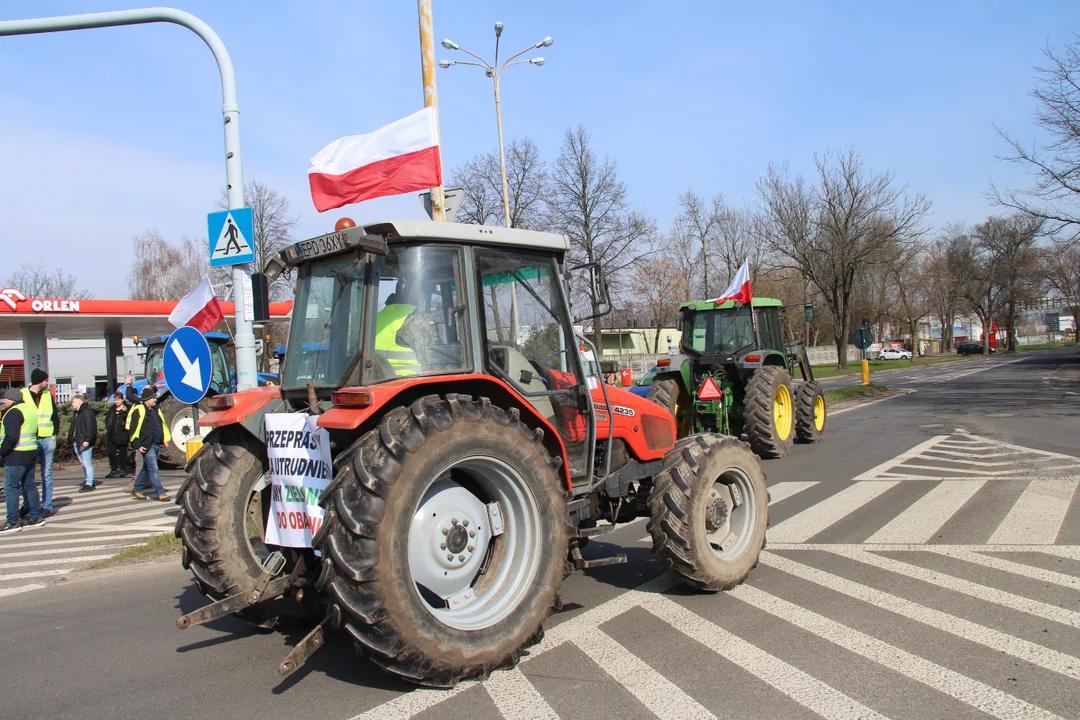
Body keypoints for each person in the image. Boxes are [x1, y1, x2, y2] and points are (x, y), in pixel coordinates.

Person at [1, 388, 45, 533]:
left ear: (12, 399)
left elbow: (11, 437)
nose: (4, 401)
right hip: (30, 452)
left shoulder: (13, 412)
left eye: (5, 399)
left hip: (16, 454)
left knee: (10, 487)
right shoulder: (29, 410)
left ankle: (13, 521)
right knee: (29, 485)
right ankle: (37, 516)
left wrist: (2, 453)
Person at [375, 278, 434, 376]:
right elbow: (433, 356)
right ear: (417, 293)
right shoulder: (417, 317)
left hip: (378, 377)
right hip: (410, 378)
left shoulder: (376, 317)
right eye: (423, 292)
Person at [21, 368, 58, 518]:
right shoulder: (23, 394)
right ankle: (27, 504)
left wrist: (54, 435)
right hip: (29, 439)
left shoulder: (47, 395)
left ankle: (47, 505)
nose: (47, 383)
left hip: (47, 438)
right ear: (39, 380)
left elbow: (55, 416)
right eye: (45, 380)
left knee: (46, 474)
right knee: (27, 474)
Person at [129, 385, 170, 501]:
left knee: (147, 468)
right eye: (153, 398)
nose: (155, 400)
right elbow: (133, 429)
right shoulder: (139, 410)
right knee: (153, 468)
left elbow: (160, 426)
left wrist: (163, 439)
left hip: (156, 443)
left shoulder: (155, 410)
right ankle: (160, 493)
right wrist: (137, 445)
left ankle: (137, 489)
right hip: (147, 445)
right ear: (147, 399)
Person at [68, 393, 98, 493]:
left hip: (84, 442)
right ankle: (88, 481)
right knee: (83, 463)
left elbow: (91, 428)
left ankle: (89, 483)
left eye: (73, 401)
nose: (71, 404)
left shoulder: (87, 412)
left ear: (79, 401)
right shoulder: (77, 413)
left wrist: (87, 440)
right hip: (77, 441)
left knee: (86, 463)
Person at [104, 391, 131, 478]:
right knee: (111, 453)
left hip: (122, 434)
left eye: (118, 400)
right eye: (115, 400)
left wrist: (125, 412)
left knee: (122, 453)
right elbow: (108, 420)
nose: (116, 402)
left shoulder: (126, 409)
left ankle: (123, 470)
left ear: (122, 400)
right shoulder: (112, 409)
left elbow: (129, 420)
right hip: (112, 435)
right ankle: (113, 470)